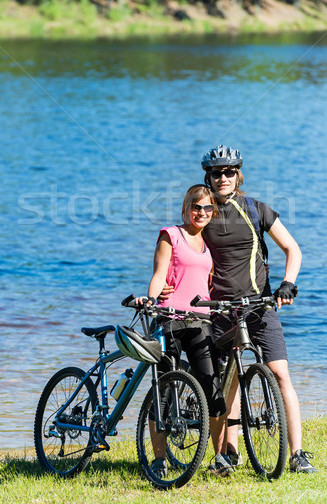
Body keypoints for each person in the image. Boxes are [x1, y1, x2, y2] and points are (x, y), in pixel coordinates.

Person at [162, 146, 316, 474]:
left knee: (279, 373)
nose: (222, 178)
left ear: (238, 175)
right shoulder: (204, 213)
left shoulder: (256, 210)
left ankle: (298, 453)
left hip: (259, 306)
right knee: (227, 380)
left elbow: (293, 249)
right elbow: (183, 253)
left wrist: (288, 284)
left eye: (229, 172)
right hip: (219, 310)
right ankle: (226, 454)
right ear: (208, 176)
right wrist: (166, 285)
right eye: (217, 173)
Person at [136, 184, 228, 477]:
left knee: (212, 387)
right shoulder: (170, 235)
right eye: (196, 207)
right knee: (164, 390)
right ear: (186, 208)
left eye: (207, 208)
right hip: (170, 318)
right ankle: (159, 460)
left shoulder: (207, 243)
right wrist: (152, 299)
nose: (201, 213)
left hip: (200, 321)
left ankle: (219, 458)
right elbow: (159, 275)